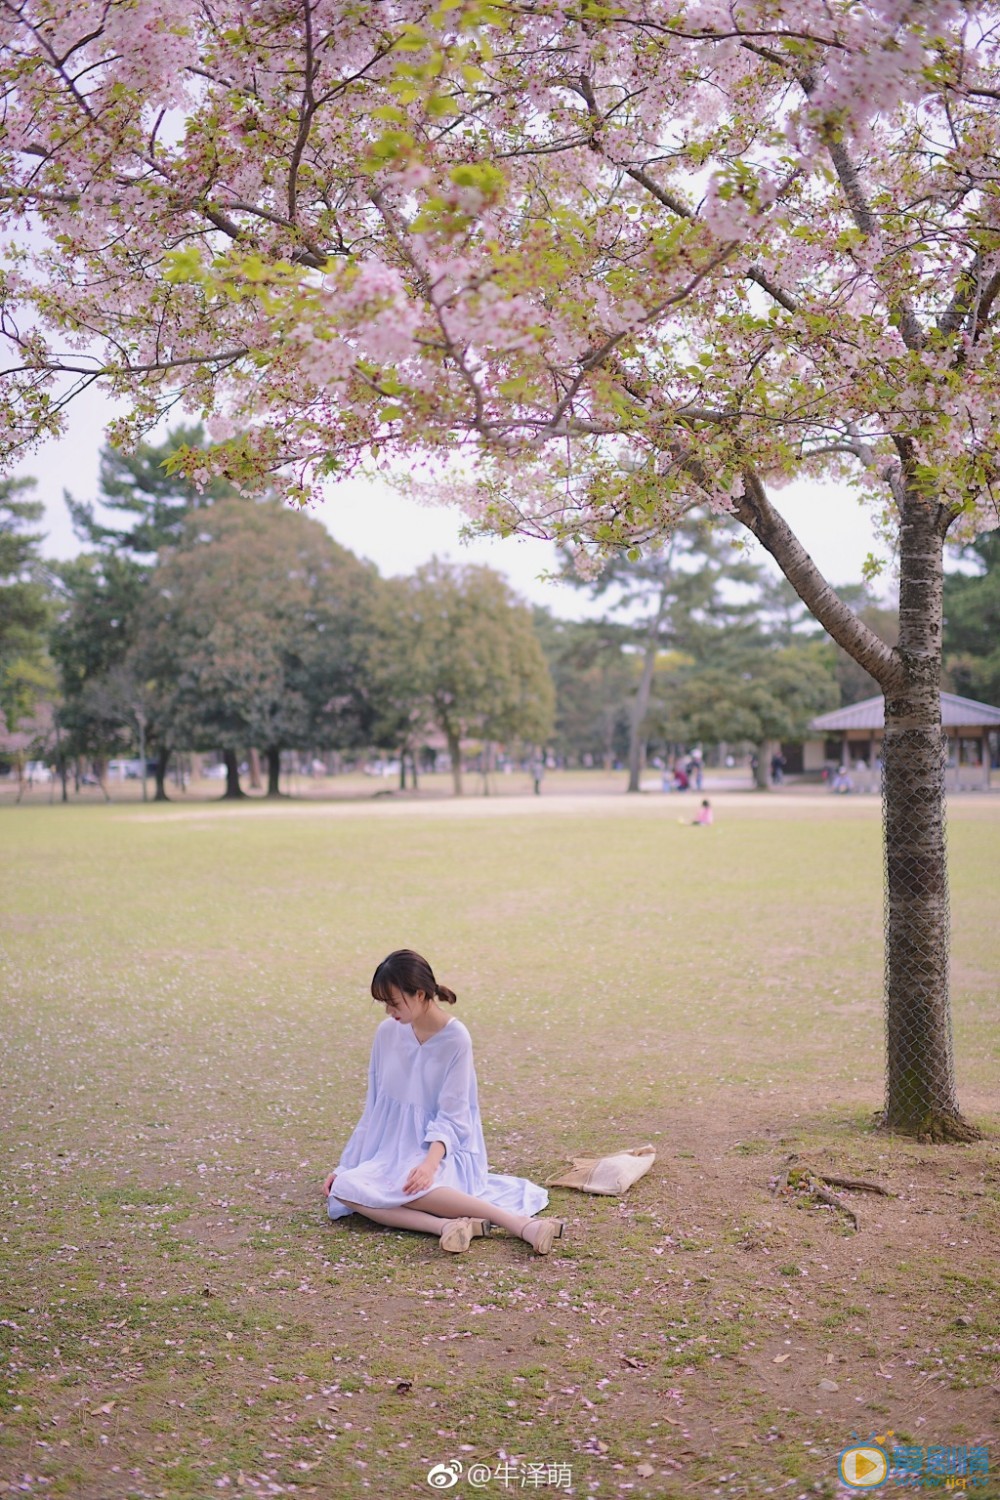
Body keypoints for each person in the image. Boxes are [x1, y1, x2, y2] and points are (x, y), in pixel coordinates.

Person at [323, 950, 563, 1256]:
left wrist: (428, 1164)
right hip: (390, 1152)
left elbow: (454, 1116)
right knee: (345, 1188)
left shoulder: (456, 1039)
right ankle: (448, 1226)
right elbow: (374, 1107)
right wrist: (346, 1165)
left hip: (442, 1151)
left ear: (420, 994)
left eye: (394, 1002)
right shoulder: (387, 1034)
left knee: (402, 1186)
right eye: (384, 1003)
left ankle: (520, 1225)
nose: (388, 1011)